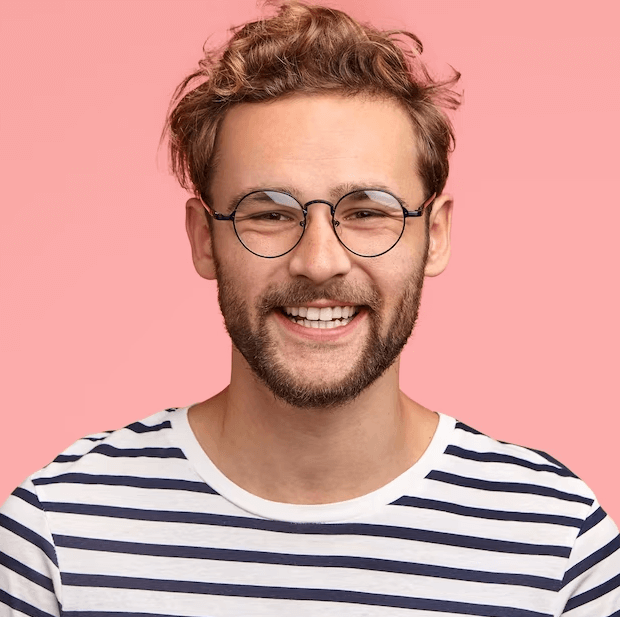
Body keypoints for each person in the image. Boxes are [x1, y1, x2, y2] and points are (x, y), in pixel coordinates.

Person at [1, 2, 618, 614]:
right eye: (269, 214)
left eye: (368, 211)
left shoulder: (558, 543)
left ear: (434, 235)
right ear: (203, 239)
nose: (320, 262)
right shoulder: (56, 533)